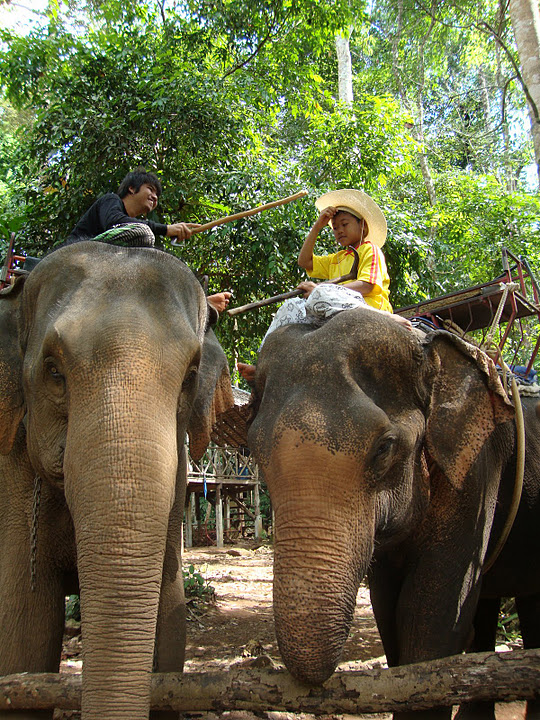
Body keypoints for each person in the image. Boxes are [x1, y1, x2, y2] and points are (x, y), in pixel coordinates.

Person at [238, 188, 410, 383]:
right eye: (335, 228)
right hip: (334, 311)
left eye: (344, 224)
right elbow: (305, 262)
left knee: (318, 294)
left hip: (368, 308)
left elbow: (367, 285)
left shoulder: (370, 250)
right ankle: (262, 363)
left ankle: (386, 318)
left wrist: (321, 290)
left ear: (362, 225)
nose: (339, 230)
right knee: (290, 306)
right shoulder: (337, 259)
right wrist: (317, 227)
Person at [65, 168, 231, 312]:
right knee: (142, 235)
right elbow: (114, 221)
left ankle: (195, 306)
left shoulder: (130, 234)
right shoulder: (111, 200)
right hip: (79, 256)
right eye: (150, 190)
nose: (155, 197)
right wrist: (166, 229)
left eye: (157, 195)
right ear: (131, 188)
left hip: (107, 267)